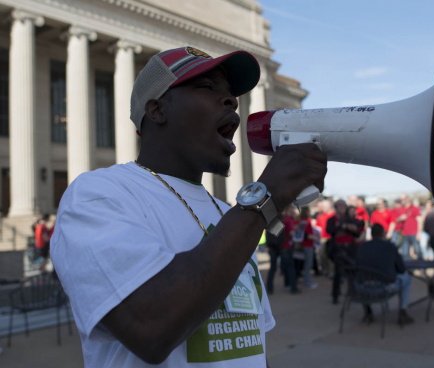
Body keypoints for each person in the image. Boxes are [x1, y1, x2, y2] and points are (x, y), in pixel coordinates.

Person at [51, 46, 327, 367]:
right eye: (207, 87)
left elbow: (251, 351)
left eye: (231, 94)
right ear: (157, 110)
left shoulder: (231, 214)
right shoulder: (98, 195)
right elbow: (150, 328)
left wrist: (257, 206)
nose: (232, 101)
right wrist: (265, 198)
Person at [357, 224, 414, 325]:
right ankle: (403, 311)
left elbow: (356, 268)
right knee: (406, 279)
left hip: (362, 287)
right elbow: (401, 269)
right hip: (384, 287)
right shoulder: (390, 246)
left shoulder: (362, 247)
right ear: (383, 234)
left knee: (362, 278)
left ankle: (368, 312)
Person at [327, 199, 362, 304]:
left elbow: (358, 233)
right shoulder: (332, 219)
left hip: (351, 248)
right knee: (338, 273)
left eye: (343, 205)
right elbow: (329, 230)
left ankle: (354, 293)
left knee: (353, 271)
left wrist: (352, 228)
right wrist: (342, 226)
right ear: (336, 207)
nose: (342, 207)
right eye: (340, 205)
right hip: (339, 249)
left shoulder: (349, 218)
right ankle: (335, 295)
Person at [296, 207, 317, 289]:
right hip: (307, 246)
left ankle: (306, 280)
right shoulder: (306, 222)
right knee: (308, 265)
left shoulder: (302, 221)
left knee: (306, 265)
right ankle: (307, 282)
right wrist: (315, 238)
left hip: (305, 245)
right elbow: (306, 235)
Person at [397, 195, 422, 260]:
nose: (402, 201)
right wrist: (400, 218)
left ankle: (422, 267)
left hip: (414, 233)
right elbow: (396, 221)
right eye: (401, 200)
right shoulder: (400, 209)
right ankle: (408, 269)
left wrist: (419, 233)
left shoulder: (415, 208)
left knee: (417, 251)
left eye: (403, 199)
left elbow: (420, 221)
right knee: (405, 253)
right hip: (404, 234)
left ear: (407, 199)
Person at [316, 199, 335, 277]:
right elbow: (317, 227)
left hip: (331, 239)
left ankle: (332, 271)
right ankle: (327, 270)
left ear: (329, 206)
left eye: (324, 206)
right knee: (322, 255)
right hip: (322, 239)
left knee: (331, 256)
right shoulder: (320, 216)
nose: (322, 208)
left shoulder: (334, 215)